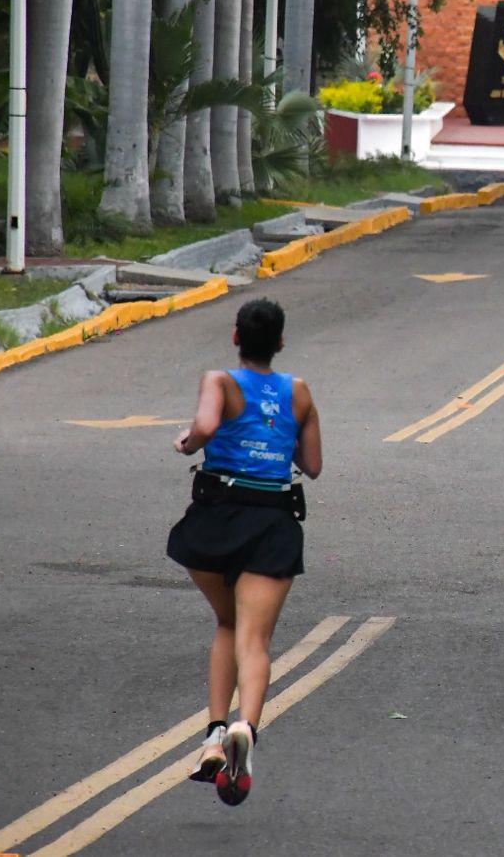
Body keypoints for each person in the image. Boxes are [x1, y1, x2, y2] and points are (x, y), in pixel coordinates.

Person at [168, 298, 322, 806]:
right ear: (279, 342)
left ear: (236, 337)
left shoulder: (220, 382)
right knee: (253, 639)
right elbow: (313, 464)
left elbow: (208, 426)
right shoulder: (297, 392)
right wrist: (278, 438)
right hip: (271, 522)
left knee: (227, 624)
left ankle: (214, 732)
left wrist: (190, 442)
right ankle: (245, 729)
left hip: (215, 519)